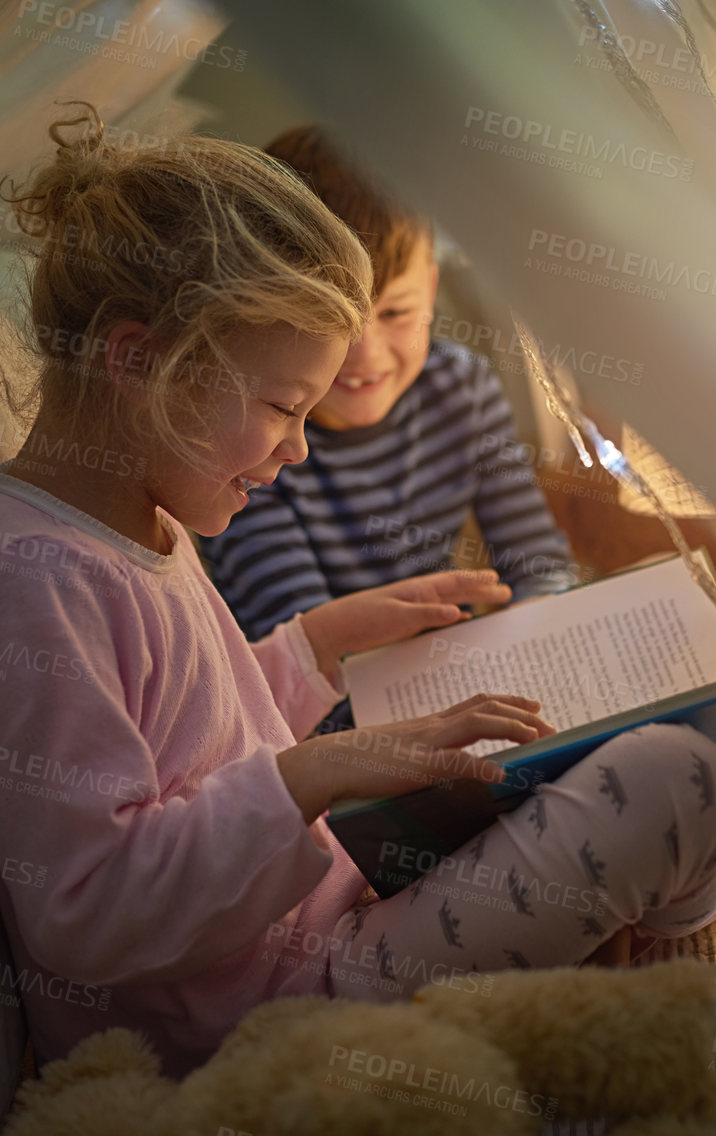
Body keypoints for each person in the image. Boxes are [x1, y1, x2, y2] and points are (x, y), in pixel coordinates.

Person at [0, 105, 716, 1078]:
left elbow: (198, 748)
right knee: (687, 782)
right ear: (140, 360)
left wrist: (308, 649)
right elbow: (86, 908)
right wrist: (321, 773)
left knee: (610, 756)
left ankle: (630, 901)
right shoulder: (34, 584)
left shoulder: (136, 511)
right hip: (254, 1018)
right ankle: (661, 915)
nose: (298, 448)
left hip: (324, 915)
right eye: (284, 408)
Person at [199, 126, 580, 737]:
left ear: (430, 287)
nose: (365, 354)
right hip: (328, 733)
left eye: (396, 313)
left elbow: (537, 560)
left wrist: (543, 623)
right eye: (331, 319)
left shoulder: (461, 385)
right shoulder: (258, 442)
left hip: (454, 694)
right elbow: (308, 663)